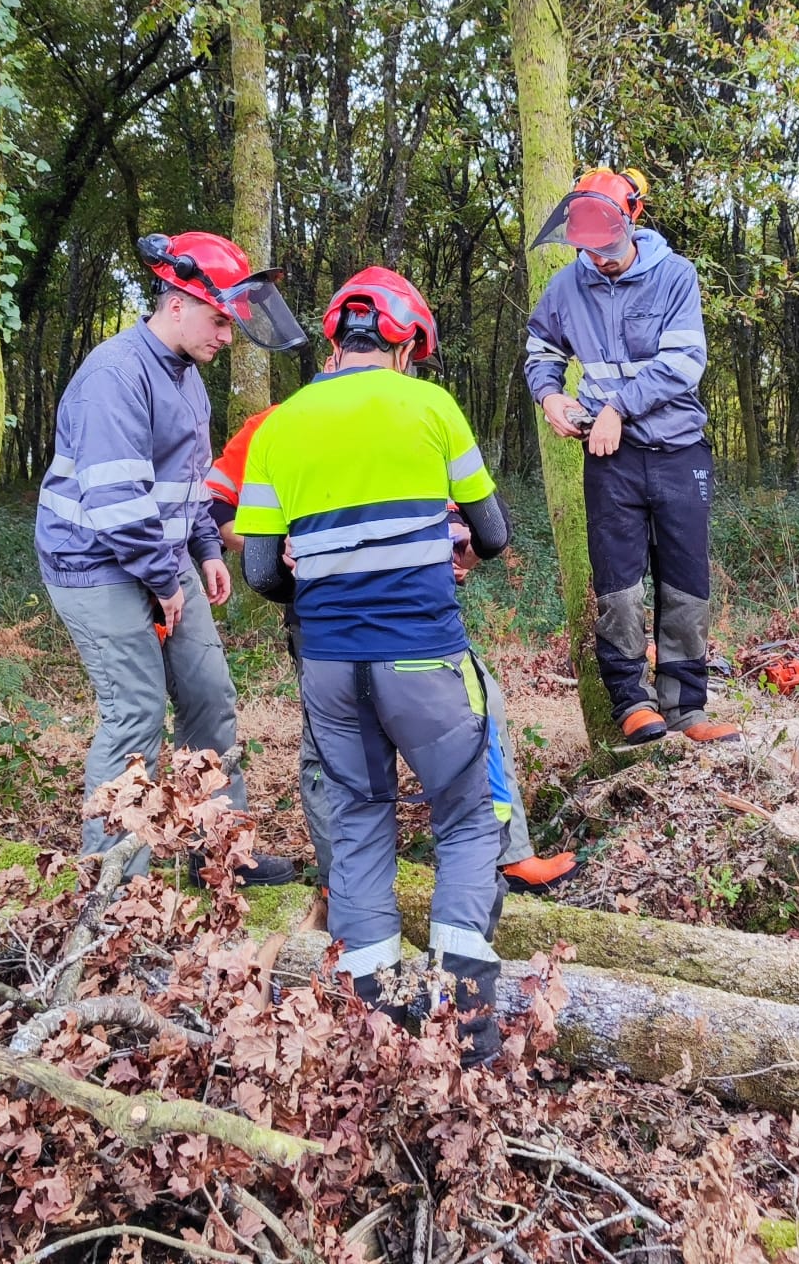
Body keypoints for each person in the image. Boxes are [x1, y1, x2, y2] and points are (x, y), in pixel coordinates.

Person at [237, 266, 512, 1063]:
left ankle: (378, 1026)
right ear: (403, 345)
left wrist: (325, 579)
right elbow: (492, 535)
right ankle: (466, 1025)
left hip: (327, 666)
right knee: (467, 818)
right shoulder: (429, 406)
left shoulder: (280, 423)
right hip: (423, 657)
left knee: (357, 827)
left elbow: (261, 576)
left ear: (338, 339)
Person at [208, 413, 578, 895]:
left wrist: (456, 544)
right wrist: (274, 544)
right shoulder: (282, 424)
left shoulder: (414, 413)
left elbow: (473, 515)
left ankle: (507, 856)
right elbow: (215, 507)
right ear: (337, 348)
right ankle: (338, 878)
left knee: (480, 706)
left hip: (414, 616)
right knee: (330, 747)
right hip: (325, 619)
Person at [36, 231, 306, 884]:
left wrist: (207, 548)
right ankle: (110, 886)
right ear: (177, 303)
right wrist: (163, 580)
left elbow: (188, 481)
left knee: (209, 697)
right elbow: (117, 502)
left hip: (160, 551)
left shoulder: (188, 380)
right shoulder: (115, 375)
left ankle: (220, 854)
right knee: (135, 708)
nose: (226, 336)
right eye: (219, 321)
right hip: (95, 560)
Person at [523, 167, 740, 746]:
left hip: (678, 449)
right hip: (609, 455)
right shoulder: (568, 286)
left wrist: (618, 406)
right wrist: (550, 396)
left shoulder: (675, 276)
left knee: (685, 581)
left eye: (608, 248)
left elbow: (683, 364)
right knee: (618, 583)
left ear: (632, 221)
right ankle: (631, 701)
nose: (600, 260)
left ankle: (686, 706)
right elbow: (539, 348)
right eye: (588, 251)